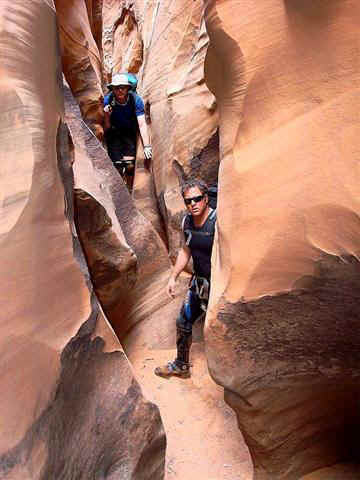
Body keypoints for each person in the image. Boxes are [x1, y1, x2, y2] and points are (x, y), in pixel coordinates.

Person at [155, 179, 217, 378]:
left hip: (219, 285)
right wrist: (173, 277)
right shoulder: (187, 222)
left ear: (206, 199)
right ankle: (181, 365)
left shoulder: (217, 222)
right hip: (200, 284)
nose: (193, 204)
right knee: (183, 321)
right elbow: (186, 249)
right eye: (188, 201)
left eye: (197, 199)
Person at [103, 73, 152, 189]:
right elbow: (107, 127)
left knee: (129, 166)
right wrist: (106, 116)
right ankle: (120, 191)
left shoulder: (135, 100)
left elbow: (141, 123)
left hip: (129, 132)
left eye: (123, 87)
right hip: (114, 133)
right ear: (112, 89)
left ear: (128, 88)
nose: (120, 90)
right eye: (116, 88)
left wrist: (147, 146)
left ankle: (130, 190)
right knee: (117, 166)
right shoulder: (108, 101)